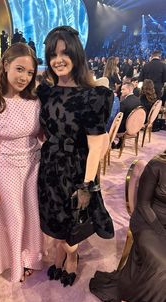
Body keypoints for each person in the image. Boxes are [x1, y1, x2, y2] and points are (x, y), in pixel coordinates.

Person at [37, 26, 114, 287]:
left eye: (64, 53)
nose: (58, 59)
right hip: (48, 165)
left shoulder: (93, 95)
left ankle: (72, 256)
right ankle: (61, 252)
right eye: (53, 54)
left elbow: (95, 147)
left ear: (76, 55)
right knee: (53, 217)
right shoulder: (45, 92)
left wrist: (87, 186)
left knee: (73, 220)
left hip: (76, 168)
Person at [0, 42, 43, 282]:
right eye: (19, 69)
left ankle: (29, 258)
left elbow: (40, 135)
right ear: (5, 65)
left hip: (33, 165)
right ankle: (12, 263)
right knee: (13, 217)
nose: (24, 77)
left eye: (29, 73)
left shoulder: (35, 101)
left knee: (31, 215)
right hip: (6, 167)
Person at [90, 151, 166, 302]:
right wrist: (162, 233)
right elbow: (143, 205)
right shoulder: (156, 165)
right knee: (163, 264)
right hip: (147, 222)